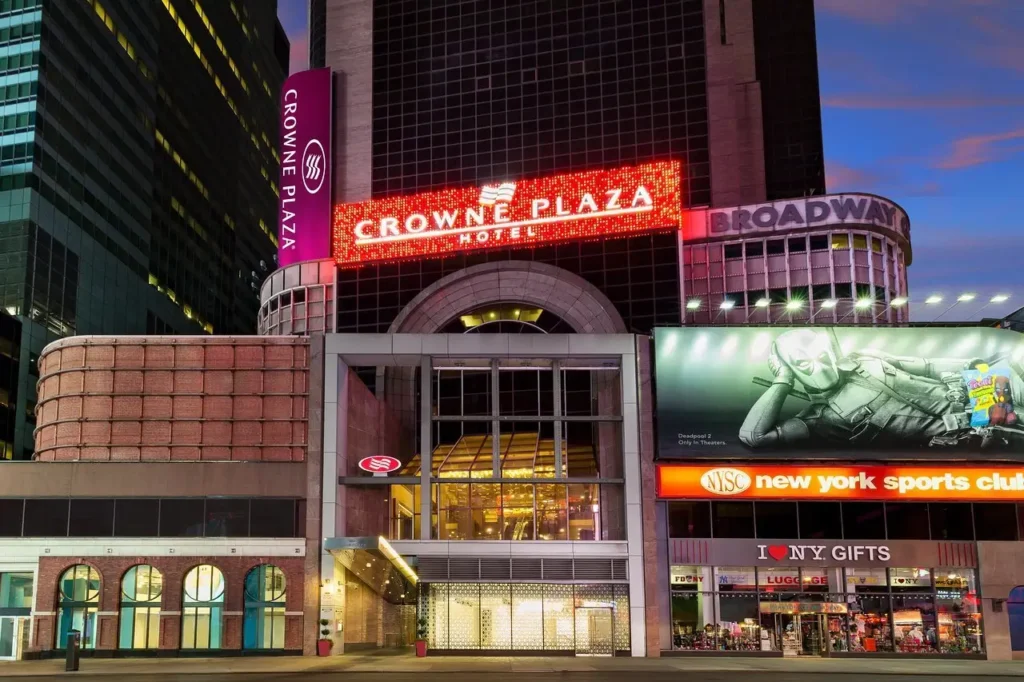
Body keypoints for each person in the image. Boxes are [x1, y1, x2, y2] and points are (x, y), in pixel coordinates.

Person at [739, 328, 1024, 451]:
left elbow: (930, 366)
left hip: (989, 398)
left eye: (822, 356)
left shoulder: (867, 359)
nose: (819, 366)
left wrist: (986, 378)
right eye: (802, 363)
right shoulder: (820, 419)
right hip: (981, 436)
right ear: (790, 368)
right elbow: (753, 437)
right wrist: (782, 381)